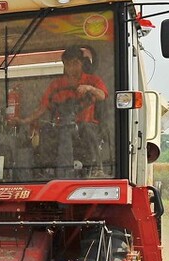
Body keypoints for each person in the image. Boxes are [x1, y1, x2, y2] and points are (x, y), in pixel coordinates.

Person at [21, 46, 108, 174]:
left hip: (85, 124)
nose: (71, 68)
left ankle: (96, 168)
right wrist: (24, 121)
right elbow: (42, 108)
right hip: (61, 125)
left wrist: (90, 88)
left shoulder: (93, 80)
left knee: (86, 129)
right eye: (68, 64)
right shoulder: (56, 84)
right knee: (47, 130)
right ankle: (48, 169)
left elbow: (102, 95)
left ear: (82, 63)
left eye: (75, 63)